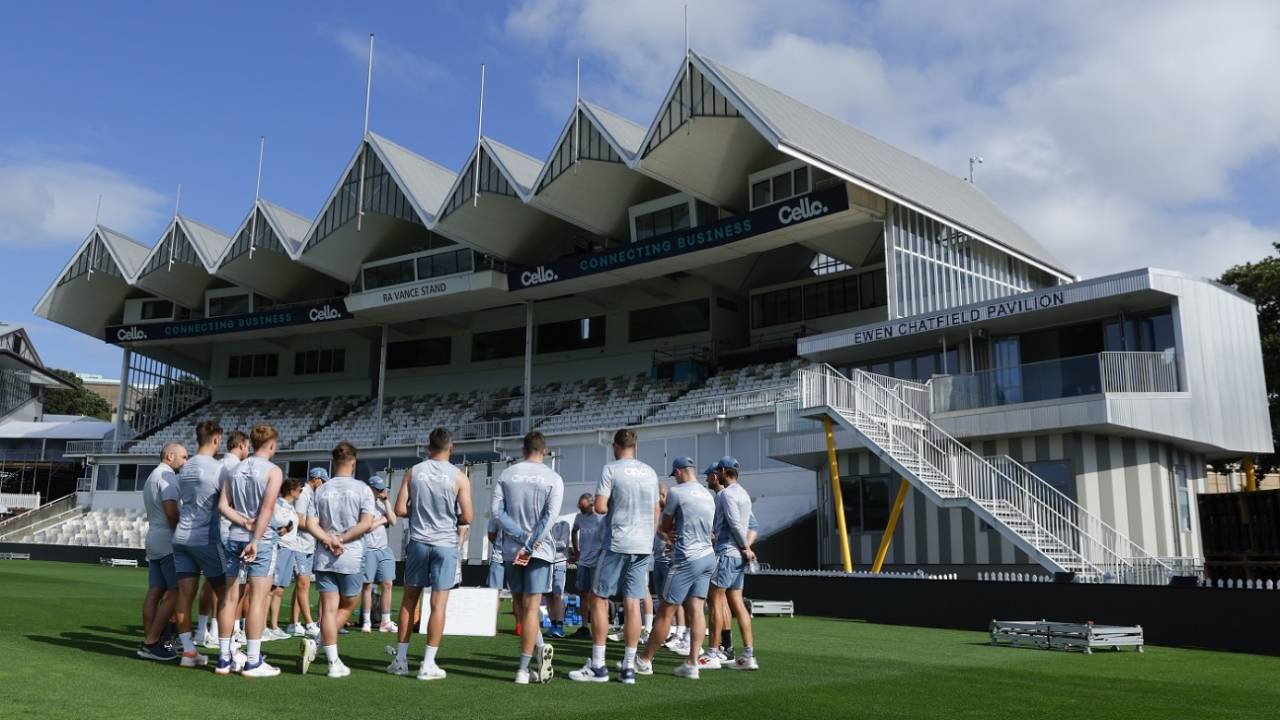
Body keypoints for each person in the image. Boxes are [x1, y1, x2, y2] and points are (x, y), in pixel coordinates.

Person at [569, 428, 658, 685]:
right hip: (643, 544)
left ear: (615, 446)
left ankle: (598, 665)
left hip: (618, 542)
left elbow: (599, 507)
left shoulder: (611, 469)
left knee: (598, 598)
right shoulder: (650, 472)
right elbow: (655, 510)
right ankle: (629, 668)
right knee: (633, 602)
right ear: (636, 446)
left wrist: (614, 506)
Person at [387, 427, 472, 681]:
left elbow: (400, 508)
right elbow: (467, 517)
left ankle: (401, 660)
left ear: (428, 447)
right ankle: (427, 664)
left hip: (419, 542)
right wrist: (448, 515)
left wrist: (420, 511)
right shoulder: (459, 477)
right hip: (445, 543)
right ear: (451, 447)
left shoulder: (414, 472)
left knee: (409, 601)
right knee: (438, 605)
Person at [636, 457, 718, 679]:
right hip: (708, 557)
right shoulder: (709, 496)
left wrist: (668, 533)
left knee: (665, 611)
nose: (675, 478)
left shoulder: (677, 493)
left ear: (680, 472)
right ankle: (692, 664)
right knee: (697, 609)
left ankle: (644, 660)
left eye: (675, 474)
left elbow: (664, 526)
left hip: (686, 559)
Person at [300, 442, 376, 678]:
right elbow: (366, 523)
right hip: (350, 555)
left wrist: (328, 539)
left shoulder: (321, 490)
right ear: (353, 462)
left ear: (333, 463)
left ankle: (331, 660)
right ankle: (325, 649)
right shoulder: (362, 489)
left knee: (330, 610)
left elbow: (310, 523)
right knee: (349, 604)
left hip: (324, 556)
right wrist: (340, 539)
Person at [491, 431, 562, 685]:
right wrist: (530, 542)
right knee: (531, 608)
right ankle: (523, 668)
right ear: (545, 450)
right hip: (538, 551)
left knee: (521, 607)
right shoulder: (553, 477)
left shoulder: (507, 474)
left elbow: (497, 512)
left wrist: (520, 537)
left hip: (512, 550)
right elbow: (550, 517)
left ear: (523, 449)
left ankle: (539, 651)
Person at [218, 424, 284, 677]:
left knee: (230, 598)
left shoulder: (234, 468)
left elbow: (223, 506)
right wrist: (255, 538)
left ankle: (224, 659)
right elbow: (266, 510)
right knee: (257, 598)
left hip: (234, 536)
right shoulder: (273, 471)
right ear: (271, 445)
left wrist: (241, 521)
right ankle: (253, 661)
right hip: (261, 540)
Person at [171, 421, 233, 669]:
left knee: (185, 595)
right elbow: (227, 506)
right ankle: (229, 653)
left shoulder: (184, 468)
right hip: (205, 539)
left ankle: (188, 651)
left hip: (181, 538)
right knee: (227, 595)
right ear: (217, 439)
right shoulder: (219, 469)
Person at [137, 442, 188, 661]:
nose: (185, 461)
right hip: (168, 539)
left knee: (155, 591)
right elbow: (171, 512)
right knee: (175, 592)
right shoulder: (168, 478)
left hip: (154, 537)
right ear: (170, 456)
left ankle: (151, 640)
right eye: (183, 457)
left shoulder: (152, 476)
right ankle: (152, 642)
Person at [708, 464, 759, 671]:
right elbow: (750, 526)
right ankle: (748, 655)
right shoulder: (744, 494)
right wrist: (745, 549)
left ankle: (713, 653)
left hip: (727, 552)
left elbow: (736, 524)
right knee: (737, 602)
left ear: (722, 472)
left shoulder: (726, 495)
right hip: (736, 555)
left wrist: (746, 547)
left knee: (715, 599)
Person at [287, 467, 327, 638]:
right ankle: (309, 623)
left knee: (301, 586)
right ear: (316, 478)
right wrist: (317, 527)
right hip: (299, 545)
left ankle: (293, 623)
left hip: (307, 545)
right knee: (303, 585)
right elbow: (299, 520)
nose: (323, 485)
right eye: (323, 481)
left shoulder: (311, 493)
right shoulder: (304, 493)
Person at [266, 477, 305, 640]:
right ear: (291, 490)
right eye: (299, 490)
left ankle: (274, 626)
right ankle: (262, 626)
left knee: (280, 589)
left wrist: (287, 528)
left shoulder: (290, 506)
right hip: (280, 547)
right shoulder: (279, 503)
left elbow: (289, 525)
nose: (300, 493)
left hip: (290, 548)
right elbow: (274, 523)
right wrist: (283, 529)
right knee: (271, 588)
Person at [359, 476, 398, 633]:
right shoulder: (364, 504)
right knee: (368, 585)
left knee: (388, 584)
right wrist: (382, 520)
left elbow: (394, 520)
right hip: (368, 549)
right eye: (379, 490)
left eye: (383, 489)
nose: (382, 492)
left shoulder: (382, 504)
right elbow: (366, 527)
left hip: (384, 549)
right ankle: (367, 621)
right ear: (371, 489)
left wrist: (387, 503)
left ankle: (385, 621)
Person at [569, 493, 604, 640]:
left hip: (597, 563)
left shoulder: (601, 517)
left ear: (591, 505)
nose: (582, 511)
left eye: (584, 508)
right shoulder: (579, 517)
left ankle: (599, 628)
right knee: (583, 595)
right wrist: (576, 551)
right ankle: (584, 627)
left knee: (597, 597)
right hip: (583, 562)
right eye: (580, 508)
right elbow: (574, 531)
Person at [547, 515, 572, 638]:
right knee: (549, 597)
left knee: (558, 595)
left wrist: (546, 544)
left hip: (559, 563)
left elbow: (562, 544)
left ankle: (560, 626)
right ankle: (552, 625)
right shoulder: (544, 522)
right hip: (545, 563)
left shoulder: (564, 524)